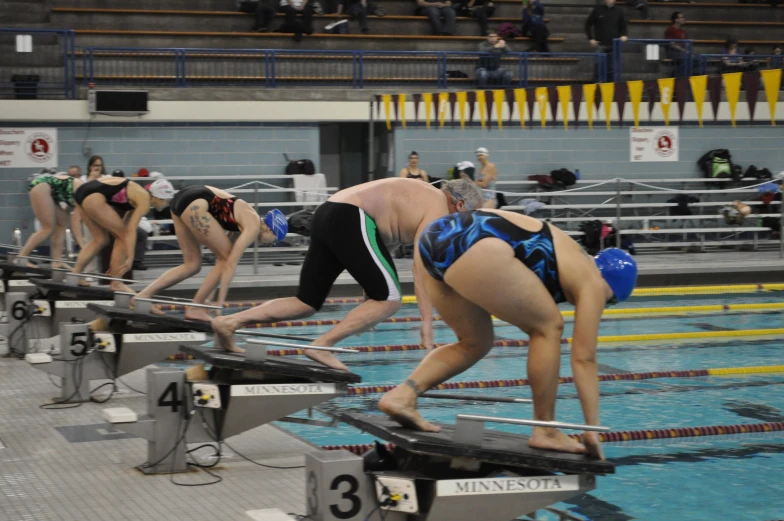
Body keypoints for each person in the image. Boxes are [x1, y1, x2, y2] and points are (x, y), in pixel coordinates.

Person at [378, 209, 638, 460]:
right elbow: (584, 358)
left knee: (474, 342)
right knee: (548, 327)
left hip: (434, 239)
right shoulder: (593, 279)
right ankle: (545, 429)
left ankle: (402, 396)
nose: (603, 306)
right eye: (610, 301)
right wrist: (591, 430)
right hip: (477, 240)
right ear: (612, 286)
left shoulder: (572, 257)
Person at [212, 178, 485, 366]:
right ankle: (321, 345)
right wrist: (427, 323)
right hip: (349, 216)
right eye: (469, 216)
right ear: (460, 205)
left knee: (306, 302)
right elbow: (419, 268)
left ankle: (229, 323)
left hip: (327, 214)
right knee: (391, 299)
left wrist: (370, 298)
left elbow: (376, 249)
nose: (464, 223)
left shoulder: (420, 196)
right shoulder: (439, 207)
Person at [134, 185, 288, 322]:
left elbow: (221, 265)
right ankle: (195, 308)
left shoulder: (243, 221)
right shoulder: (253, 224)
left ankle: (143, 296)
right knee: (226, 257)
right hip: (197, 201)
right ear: (270, 229)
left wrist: (211, 296)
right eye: (273, 240)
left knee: (192, 265)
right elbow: (230, 264)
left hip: (183, 199)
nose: (270, 243)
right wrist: (220, 305)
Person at [72, 176, 167, 293]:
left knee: (101, 239)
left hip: (83, 193)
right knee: (122, 237)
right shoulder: (144, 200)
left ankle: (75, 275)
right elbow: (131, 230)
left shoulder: (138, 195)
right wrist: (131, 257)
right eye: (166, 200)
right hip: (92, 195)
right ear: (158, 197)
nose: (166, 204)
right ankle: (116, 282)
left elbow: (126, 225)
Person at [17, 171, 83, 269]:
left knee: (62, 223)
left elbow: (68, 214)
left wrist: (79, 240)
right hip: (42, 186)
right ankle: (21, 258)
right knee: (47, 229)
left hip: (51, 192)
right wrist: (82, 243)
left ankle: (57, 262)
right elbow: (76, 221)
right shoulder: (82, 191)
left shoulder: (84, 196)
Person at [585, 0, 628, 81]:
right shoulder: (597, 10)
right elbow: (588, 24)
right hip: (600, 43)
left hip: (614, 44)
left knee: (611, 68)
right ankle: (596, 86)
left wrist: (624, 35)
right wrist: (590, 38)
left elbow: (623, 25)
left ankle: (609, 88)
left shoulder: (619, 11)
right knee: (598, 67)